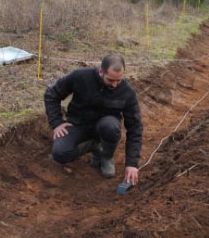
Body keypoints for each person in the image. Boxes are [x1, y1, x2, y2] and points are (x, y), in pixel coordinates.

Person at [44, 53, 142, 186]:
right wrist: (56, 122)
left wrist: (132, 164)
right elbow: (52, 94)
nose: (114, 85)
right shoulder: (80, 76)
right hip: (78, 125)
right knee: (60, 154)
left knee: (111, 126)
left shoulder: (127, 93)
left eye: (118, 80)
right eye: (110, 80)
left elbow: (135, 128)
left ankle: (106, 156)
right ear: (101, 71)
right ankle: (94, 147)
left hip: (104, 128)